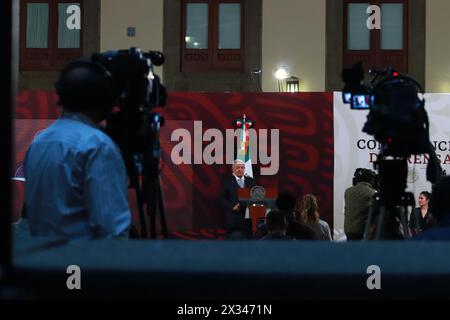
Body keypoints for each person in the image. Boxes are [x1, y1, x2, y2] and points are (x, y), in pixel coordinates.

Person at [24, 60, 131, 241]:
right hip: (84, 264)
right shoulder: (98, 146)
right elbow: (111, 229)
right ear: (103, 99)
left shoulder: (40, 141)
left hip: (41, 263)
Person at [221, 159, 256, 237]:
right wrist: (232, 207)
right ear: (233, 169)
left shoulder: (251, 181)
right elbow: (222, 199)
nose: (240, 169)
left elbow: (256, 198)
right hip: (233, 218)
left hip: (248, 219)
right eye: (237, 167)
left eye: (242, 167)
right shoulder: (227, 181)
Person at [413, 176, 450, 241]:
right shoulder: (415, 211)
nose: (419, 200)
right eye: (419, 198)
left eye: (421, 198)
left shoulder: (419, 241)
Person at [344, 168, 377, 240]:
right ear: (371, 180)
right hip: (363, 233)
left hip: (349, 231)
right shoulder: (373, 193)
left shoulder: (348, 191)